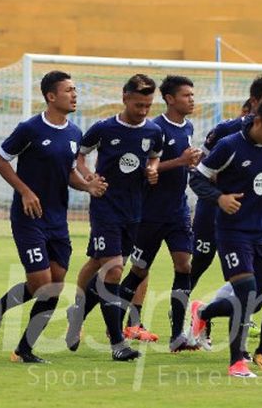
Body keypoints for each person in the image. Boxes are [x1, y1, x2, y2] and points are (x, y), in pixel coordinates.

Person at [0, 71, 107, 363]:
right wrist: (25, 191)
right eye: (68, 90)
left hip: (57, 220)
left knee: (55, 285)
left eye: (75, 90)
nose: (74, 95)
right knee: (40, 283)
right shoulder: (30, 129)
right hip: (29, 218)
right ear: (51, 96)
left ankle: (24, 350)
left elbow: (69, 174)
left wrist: (87, 186)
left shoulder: (75, 133)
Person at [65, 74, 163, 361]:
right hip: (105, 206)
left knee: (99, 262)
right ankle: (117, 343)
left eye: (147, 105)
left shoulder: (153, 131)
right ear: (124, 97)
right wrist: (88, 178)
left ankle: (78, 311)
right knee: (114, 268)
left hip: (134, 209)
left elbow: (155, 155)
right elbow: (79, 157)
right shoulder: (103, 129)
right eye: (138, 105)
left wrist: (153, 168)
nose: (143, 111)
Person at [189, 93, 262, 377]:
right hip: (232, 232)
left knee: (255, 300)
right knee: (245, 292)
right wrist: (219, 198)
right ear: (258, 120)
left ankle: (203, 313)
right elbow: (196, 177)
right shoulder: (229, 146)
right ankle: (237, 362)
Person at [117, 75, 202, 351]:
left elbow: (179, 164)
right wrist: (180, 161)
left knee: (184, 266)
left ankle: (177, 334)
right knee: (139, 270)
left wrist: (189, 165)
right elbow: (146, 169)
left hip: (177, 212)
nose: (191, 99)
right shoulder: (154, 129)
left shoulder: (187, 127)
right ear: (169, 99)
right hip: (150, 214)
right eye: (186, 95)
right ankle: (115, 325)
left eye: (192, 94)